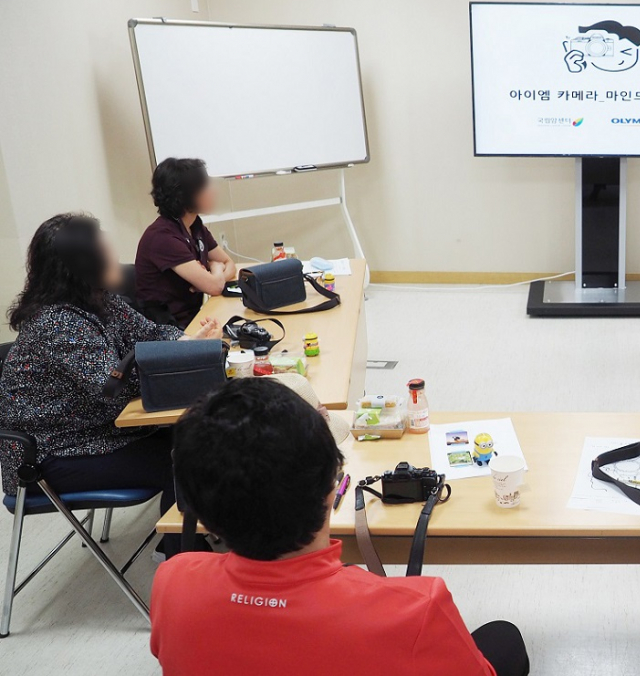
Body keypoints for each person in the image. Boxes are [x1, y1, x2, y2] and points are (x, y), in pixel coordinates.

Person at [152, 378, 530, 676]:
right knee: (504, 638)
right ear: (332, 487)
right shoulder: (415, 609)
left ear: (198, 509)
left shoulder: (172, 582)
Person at [0, 213, 220, 556]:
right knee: (188, 459)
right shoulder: (57, 322)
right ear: (84, 263)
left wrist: (188, 341)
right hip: (51, 454)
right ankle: (183, 562)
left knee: (205, 436)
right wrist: (184, 356)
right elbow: (114, 388)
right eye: (106, 250)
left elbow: (152, 333)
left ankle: (183, 541)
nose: (116, 258)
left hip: (98, 432)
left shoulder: (98, 299)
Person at [135, 157, 237, 327]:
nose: (213, 191)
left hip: (195, 320)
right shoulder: (162, 237)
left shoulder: (194, 225)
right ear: (186, 196)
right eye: (205, 186)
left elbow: (229, 263)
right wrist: (215, 271)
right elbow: (215, 287)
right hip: (170, 331)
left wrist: (212, 277)